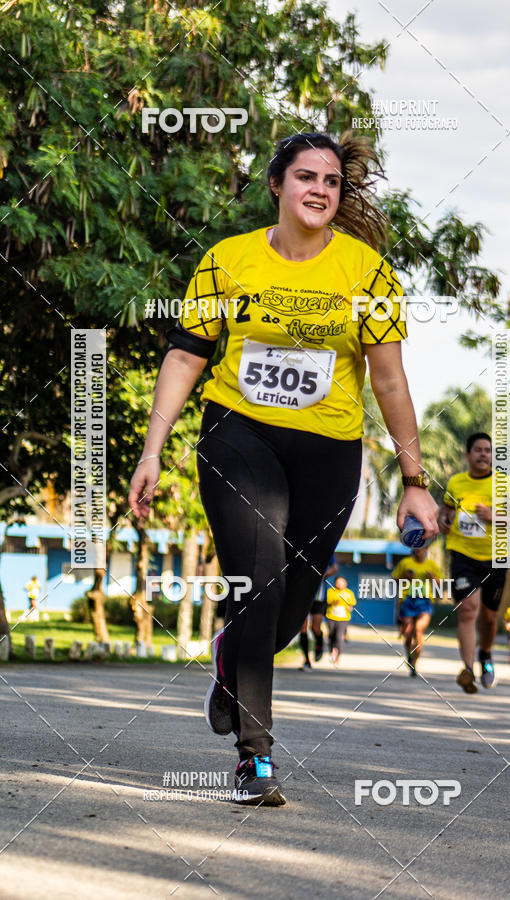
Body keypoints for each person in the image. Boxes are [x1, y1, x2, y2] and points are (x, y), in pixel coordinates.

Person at [129, 131, 438, 807]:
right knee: (260, 582)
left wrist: (415, 485)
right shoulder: (227, 260)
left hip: (329, 448)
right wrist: (152, 452)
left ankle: (229, 659)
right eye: (306, 177)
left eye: (331, 181)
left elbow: (389, 382)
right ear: (276, 185)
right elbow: (186, 355)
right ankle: (254, 759)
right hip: (239, 431)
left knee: (292, 608)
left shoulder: (368, 274)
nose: (320, 190)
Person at [440, 432, 510, 693]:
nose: (483, 454)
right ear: (468, 455)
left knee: (488, 616)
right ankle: (467, 669)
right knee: (466, 609)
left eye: (488, 450)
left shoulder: (505, 485)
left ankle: (485, 655)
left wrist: (494, 516)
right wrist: (444, 521)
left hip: (495, 557)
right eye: (478, 450)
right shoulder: (456, 483)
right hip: (463, 555)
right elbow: (448, 512)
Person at [392, 548, 443, 676]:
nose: (418, 550)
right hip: (407, 600)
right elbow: (394, 579)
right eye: (416, 547)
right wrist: (405, 577)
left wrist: (432, 578)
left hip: (424, 600)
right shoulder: (405, 563)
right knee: (408, 632)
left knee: (419, 630)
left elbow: (440, 582)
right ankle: (409, 654)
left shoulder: (431, 565)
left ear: (425, 549)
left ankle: (415, 662)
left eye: (421, 547)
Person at [299, 555, 338, 670]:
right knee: (303, 628)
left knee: (315, 628)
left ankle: (319, 645)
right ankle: (306, 660)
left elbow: (335, 567)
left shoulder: (326, 547)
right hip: (302, 597)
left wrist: (323, 574)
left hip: (319, 598)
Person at [325, 576, 356, 666]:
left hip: (343, 618)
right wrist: (334, 602)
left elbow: (352, 604)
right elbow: (328, 601)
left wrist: (350, 607)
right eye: (338, 582)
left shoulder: (349, 593)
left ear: (345, 584)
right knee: (331, 635)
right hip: (331, 617)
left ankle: (337, 657)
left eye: (342, 582)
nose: (340, 584)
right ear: (335, 583)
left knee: (338, 637)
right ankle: (331, 651)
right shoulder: (331, 591)